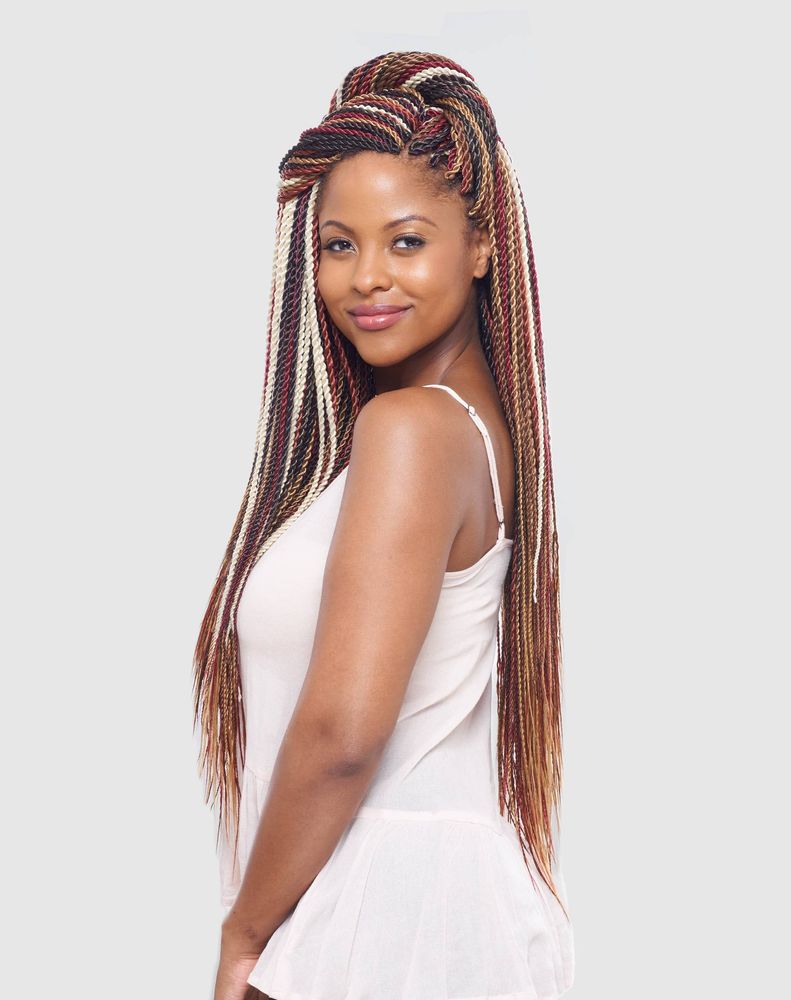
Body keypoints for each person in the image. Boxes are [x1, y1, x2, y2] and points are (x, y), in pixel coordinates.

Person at [193, 50, 575, 1000]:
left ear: (480, 245)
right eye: (337, 245)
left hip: (380, 924)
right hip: (408, 916)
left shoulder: (413, 431)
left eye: (406, 241)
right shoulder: (458, 430)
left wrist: (245, 933)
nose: (366, 278)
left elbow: (341, 733)